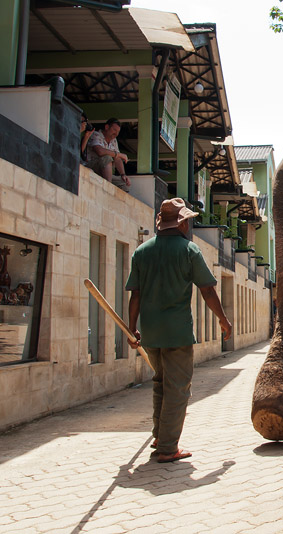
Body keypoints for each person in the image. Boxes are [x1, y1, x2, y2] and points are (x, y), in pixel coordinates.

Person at [126, 198, 233, 463]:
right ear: (183, 223)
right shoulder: (189, 251)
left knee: (161, 384)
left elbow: (135, 296)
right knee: (178, 389)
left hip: (151, 333)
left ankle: (160, 436)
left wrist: (131, 329)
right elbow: (207, 289)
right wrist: (223, 319)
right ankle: (167, 448)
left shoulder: (142, 252)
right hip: (177, 333)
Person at [86, 117, 131, 192]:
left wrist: (123, 174)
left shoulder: (114, 141)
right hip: (92, 167)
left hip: (105, 173)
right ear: (107, 127)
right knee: (107, 157)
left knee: (124, 184)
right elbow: (100, 151)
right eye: (114, 130)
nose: (116, 134)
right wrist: (118, 154)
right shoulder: (96, 135)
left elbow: (118, 159)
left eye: (118, 132)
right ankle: (108, 188)